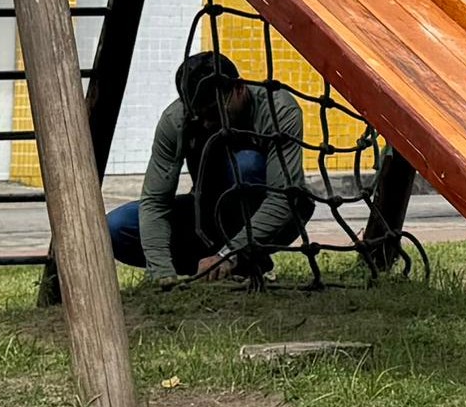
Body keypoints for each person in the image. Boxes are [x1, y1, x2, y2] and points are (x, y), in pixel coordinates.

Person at [108, 51, 313, 285]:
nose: (206, 123)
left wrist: (230, 254)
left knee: (246, 165)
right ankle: (207, 266)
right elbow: (155, 202)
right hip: (205, 213)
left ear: (239, 89)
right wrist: (161, 269)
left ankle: (244, 260)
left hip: (275, 215)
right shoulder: (176, 120)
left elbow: (283, 199)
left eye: (214, 113)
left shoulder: (277, 110)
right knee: (115, 227)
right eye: (199, 116)